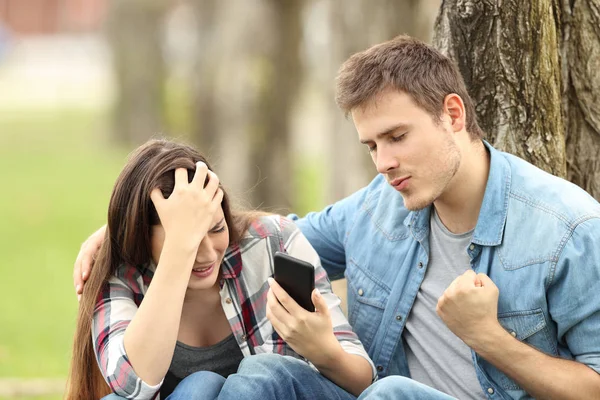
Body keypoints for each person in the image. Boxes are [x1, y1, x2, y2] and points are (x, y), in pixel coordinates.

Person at [74, 35, 600, 400]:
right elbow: (261, 239)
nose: (384, 162)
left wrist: (489, 338)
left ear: (453, 114)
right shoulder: (380, 207)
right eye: (371, 145)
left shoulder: (566, 229)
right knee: (260, 377)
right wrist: (136, 229)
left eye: (397, 136)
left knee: (388, 392)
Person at [66, 139, 375, 400]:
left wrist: (322, 349)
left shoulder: (273, 242)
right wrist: (177, 252)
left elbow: (365, 380)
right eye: (188, 241)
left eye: (215, 229)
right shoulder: (119, 275)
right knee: (200, 386)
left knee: (262, 373)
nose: (206, 254)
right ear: (143, 239)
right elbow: (133, 386)